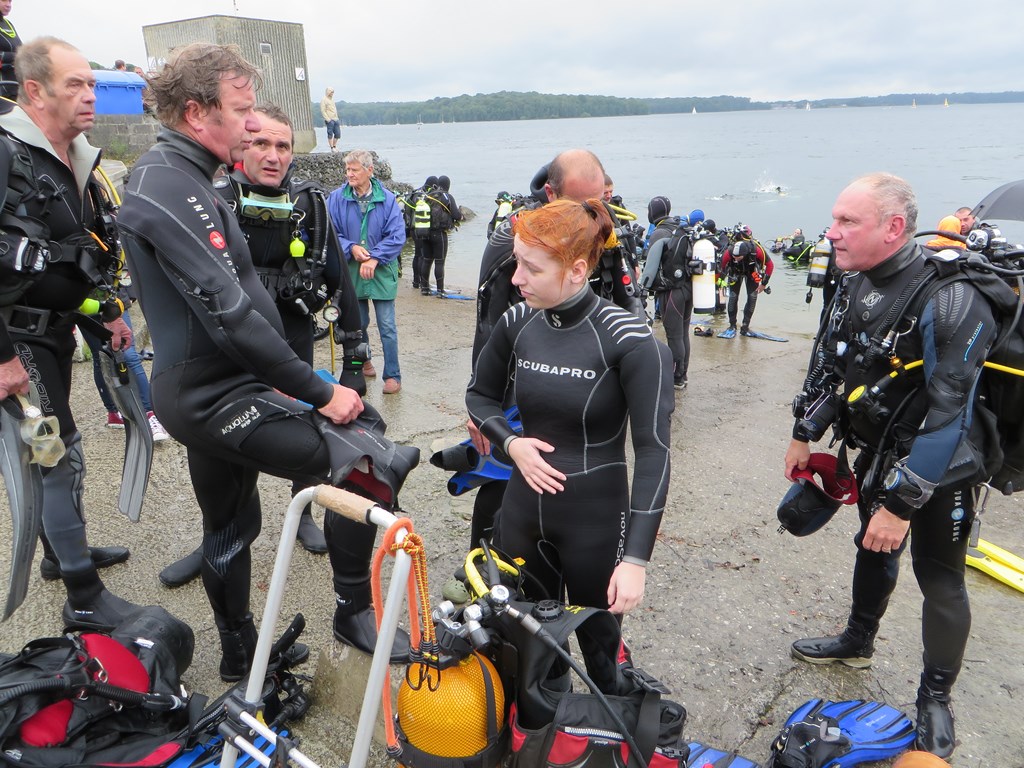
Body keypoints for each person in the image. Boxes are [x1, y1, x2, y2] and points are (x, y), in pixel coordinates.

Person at [117, 43, 414, 680]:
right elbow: (228, 313)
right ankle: (352, 611)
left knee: (232, 520)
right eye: (243, 111)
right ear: (196, 113)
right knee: (365, 457)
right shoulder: (168, 182)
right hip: (214, 391)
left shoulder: (188, 176)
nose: (254, 125)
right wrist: (318, 391)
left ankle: (239, 652)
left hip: (218, 384)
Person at [784, 173, 1000, 759]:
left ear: (893, 227)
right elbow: (835, 363)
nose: (831, 232)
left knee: (940, 578)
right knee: (871, 546)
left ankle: (936, 697)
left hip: (943, 464)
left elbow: (950, 412)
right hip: (881, 448)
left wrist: (902, 506)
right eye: (834, 219)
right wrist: (805, 432)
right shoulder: (855, 280)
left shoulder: (951, 298)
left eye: (847, 222)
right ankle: (858, 640)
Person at [156, 103, 369, 587]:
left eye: (284, 146)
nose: (274, 155)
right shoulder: (212, 202)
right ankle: (217, 532)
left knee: (311, 430)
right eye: (261, 143)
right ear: (241, 147)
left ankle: (305, 512)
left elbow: (341, 281)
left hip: (292, 340)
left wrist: (355, 359)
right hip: (225, 353)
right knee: (214, 448)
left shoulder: (309, 204)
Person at [466, 199, 673, 613]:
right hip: (522, 510)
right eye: (517, 261)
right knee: (525, 638)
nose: (516, 278)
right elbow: (479, 396)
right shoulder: (518, 321)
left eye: (532, 268)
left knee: (599, 644)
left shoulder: (630, 340)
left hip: (595, 521)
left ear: (577, 270)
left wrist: (635, 560)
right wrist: (512, 445)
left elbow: (653, 451)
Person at [0, 37, 138, 629]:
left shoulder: (74, 160)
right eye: (76, 84)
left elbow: (70, 259)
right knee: (56, 457)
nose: (91, 95)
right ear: (35, 91)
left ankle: (62, 554)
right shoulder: (6, 153)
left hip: (55, 332)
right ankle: (83, 595)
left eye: (92, 83)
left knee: (60, 453)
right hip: (17, 342)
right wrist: (2, 358)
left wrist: (105, 314)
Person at [468, 148, 607, 546]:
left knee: (567, 479)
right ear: (551, 193)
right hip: (520, 388)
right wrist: (482, 406)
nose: (588, 215)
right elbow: (488, 322)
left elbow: (624, 303)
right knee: (503, 483)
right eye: (578, 204)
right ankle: (484, 563)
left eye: (598, 202)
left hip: (584, 387)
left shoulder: (603, 230)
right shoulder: (515, 238)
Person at [327, 149, 405, 394]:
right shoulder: (336, 198)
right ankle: (365, 361)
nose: (349, 174)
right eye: (347, 170)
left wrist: (375, 258)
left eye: (354, 170)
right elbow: (330, 232)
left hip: (382, 272)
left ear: (369, 171)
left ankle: (392, 375)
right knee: (357, 325)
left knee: (387, 326)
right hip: (351, 271)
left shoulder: (388, 199)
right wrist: (351, 247)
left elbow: (397, 235)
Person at [721, 224, 773, 334]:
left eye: (738, 257)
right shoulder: (729, 251)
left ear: (745, 254)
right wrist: (718, 282)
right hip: (735, 272)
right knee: (733, 297)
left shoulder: (756, 250)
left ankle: (745, 327)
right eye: (734, 258)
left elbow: (770, 265)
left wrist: (763, 284)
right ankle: (732, 326)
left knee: (752, 297)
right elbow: (721, 268)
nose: (736, 259)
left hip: (752, 272)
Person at [416, 174, 462, 296]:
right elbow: (456, 215)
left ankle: (424, 288)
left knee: (427, 260)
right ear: (448, 185)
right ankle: (440, 290)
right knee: (439, 262)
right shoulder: (447, 196)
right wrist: (461, 216)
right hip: (439, 233)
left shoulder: (428, 195)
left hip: (425, 232)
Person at [0, 0, 20, 101]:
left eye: (10, 1)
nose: (8, 5)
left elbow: (22, 50)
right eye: (4, 0)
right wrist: (17, 56)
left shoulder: (8, 24)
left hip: (15, 89)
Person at [321, 87, 340, 151]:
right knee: (330, 134)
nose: (332, 93)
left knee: (338, 134)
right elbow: (323, 111)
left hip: (336, 119)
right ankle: (332, 147)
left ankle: (334, 146)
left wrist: (337, 118)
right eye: (331, 92)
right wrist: (328, 119)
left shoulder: (332, 100)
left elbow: (334, 109)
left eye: (333, 92)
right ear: (328, 92)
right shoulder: (324, 100)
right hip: (329, 119)